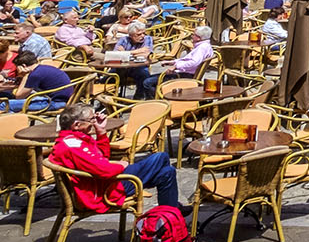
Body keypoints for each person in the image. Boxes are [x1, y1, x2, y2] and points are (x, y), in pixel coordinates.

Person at [47, 104, 183, 211]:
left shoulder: (76, 139)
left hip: (104, 183)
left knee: (167, 173)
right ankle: (171, 215)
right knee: (161, 157)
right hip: (105, 191)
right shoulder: (73, 145)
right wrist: (121, 166)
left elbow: (102, 156)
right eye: (91, 119)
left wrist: (101, 131)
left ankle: (169, 216)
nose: (94, 122)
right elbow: (104, 170)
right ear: (77, 124)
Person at [142, 25, 214, 96]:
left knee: (147, 82)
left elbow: (194, 62)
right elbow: (189, 60)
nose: (191, 36)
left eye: (193, 35)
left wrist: (176, 66)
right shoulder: (205, 46)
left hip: (186, 75)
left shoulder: (201, 48)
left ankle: (158, 101)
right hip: (186, 73)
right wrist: (172, 62)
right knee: (148, 77)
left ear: (199, 38)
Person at [5, 51, 73, 112]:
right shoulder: (43, 68)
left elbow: (19, 96)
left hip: (54, 103)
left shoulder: (35, 75)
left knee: (5, 105)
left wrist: (25, 76)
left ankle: (14, 123)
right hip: (63, 99)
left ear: (23, 66)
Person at [112, 21, 154, 99]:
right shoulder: (123, 39)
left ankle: (138, 97)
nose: (142, 36)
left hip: (138, 67)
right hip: (121, 67)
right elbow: (115, 54)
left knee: (144, 74)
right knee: (107, 78)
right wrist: (137, 52)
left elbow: (145, 54)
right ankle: (111, 100)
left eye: (143, 33)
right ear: (130, 35)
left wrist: (124, 53)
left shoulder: (147, 38)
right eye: (138, 34)